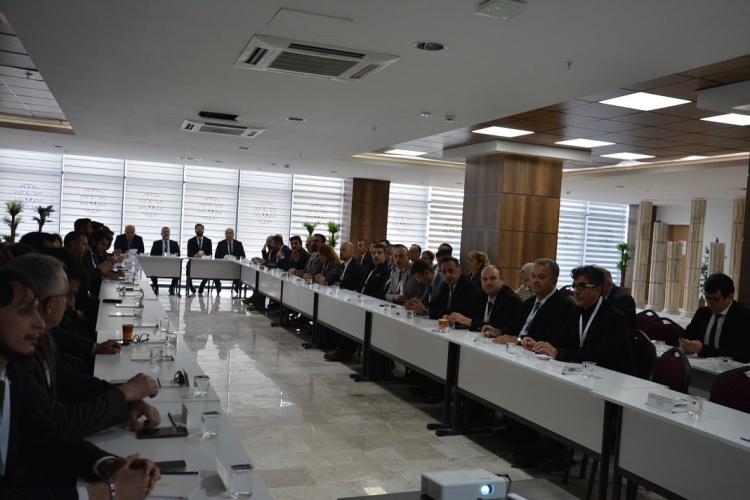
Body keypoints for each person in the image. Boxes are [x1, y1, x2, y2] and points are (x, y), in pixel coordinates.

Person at [0, 267, 160, 499]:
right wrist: (107, 492)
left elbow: (49, 434)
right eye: (26, 311)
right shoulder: (19, 366)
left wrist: (109, 464)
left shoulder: (11, 373)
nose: (39, 321)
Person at [10, 254, 162, 438]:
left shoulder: (43, 336)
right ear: (51, 304)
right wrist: (124, 393)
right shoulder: (16, 357)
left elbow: (71, 380)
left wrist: (125, 397)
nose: (71, 303)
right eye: (69, 295)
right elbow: (58, 423)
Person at [529, 265, 636, 375]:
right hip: (583, 372)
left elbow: (601, 356)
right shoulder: (575, 312)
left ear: (598, 290)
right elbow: (561, 339)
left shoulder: (613, 317)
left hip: (613, 376)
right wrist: (540, 345)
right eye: (574, 286)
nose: (576, 291)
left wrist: (559, 353)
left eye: (582, 286)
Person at [491, 258, 574, 345]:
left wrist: (518, 340)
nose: (535, 281)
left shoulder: (563, 305)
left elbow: (549, 338)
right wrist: (499, 331)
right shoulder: (529, 303)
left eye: (541, 277)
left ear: (554, 281)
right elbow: (513, 326)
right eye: (533, 276)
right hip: (516, 348)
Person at [680, 273, 750, 362]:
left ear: (730, 297)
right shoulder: (702, 313)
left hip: (730, 369)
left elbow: (742, 354)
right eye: (706, 298)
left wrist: (703, 350)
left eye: (714, 300)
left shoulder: (744, 317)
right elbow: (686, 337)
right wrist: (685, 345)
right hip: (698, 365)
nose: (709, 304)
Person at [448, 265, 522, 332]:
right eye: (484, 279)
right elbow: (468, 316)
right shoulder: (480, 295)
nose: (488, 283)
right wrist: (454, 319)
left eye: (493, 278)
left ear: (502, 279)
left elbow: (497, 327)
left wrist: (469, 321)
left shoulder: (511, 300)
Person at [405, 257, 480, 320]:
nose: (447, 275)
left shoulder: (468, 287)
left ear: (459, 270)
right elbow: (436, 304)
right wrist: (416, 306)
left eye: (451, 271)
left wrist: (425, 311)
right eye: (444, 272)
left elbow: (455, 312)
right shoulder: (445, 285)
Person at [148, 227, 180, 295]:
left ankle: (172, 287)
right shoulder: (156, 243)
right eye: (164, 232)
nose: (166, 233)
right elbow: (152, 255)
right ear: (161, 233)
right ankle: (155, 286)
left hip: (171, 264)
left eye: (167, 232)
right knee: (152, 268)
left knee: (178, 269)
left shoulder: (174, 243)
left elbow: (178, 255)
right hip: (159, 263)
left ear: (169, 234)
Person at [214, 228, 245, 295]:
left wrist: (235, 257)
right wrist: (225, 256)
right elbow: (216, 256)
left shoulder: (239, 244)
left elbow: (243, 256)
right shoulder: (220, 243)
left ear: (233, 234)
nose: (228, 235)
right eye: (227, 233)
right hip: (222, 267)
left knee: (242, 273)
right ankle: (218, 287)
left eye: (230, 233)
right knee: (214, 272)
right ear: (225, 235)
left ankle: (237, 286)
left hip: (235, 267)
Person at [186, 223, 212, 295]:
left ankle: (202, 285)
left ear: (203, 230)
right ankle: (191, 286)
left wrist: (204, 255)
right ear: (195, 230)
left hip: (204, 263)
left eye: (201, 228)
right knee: (188, 267)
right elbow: (188, 254)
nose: (199, 229)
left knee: (209, 269)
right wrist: (194, 255)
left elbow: (210, 253)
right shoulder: (190, 241)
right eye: (198, 228)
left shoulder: (208, 241)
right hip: (193, 262)